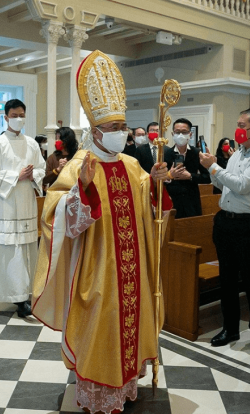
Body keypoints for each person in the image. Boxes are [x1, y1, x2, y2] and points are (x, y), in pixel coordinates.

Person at [33, 50, 171, 414]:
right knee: (100, 330)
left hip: (131, 271)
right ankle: (97, 392)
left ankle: (124, 388)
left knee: (128, 328)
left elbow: (151, 210)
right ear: (94, 131)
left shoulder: (132, 164)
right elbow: (55, 215)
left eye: (122, 127)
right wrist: (83, 189)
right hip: (96, 271)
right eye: (112, 129)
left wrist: (157, 185)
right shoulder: (81, 164)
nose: (120, 134)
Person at [199, 107, 250, 354]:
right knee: (227, 278)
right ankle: (230, 327)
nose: (238, 130)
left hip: (248, 223)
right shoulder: (237, 154)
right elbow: (221, 183)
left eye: (242, 125)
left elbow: (242, 185)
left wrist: (214, 168)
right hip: (225, 221)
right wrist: (213, 170)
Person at [0, 99, 45, 317]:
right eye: (14, 115)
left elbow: (41, 168)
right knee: (10, 253)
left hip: (26, 203)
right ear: (6, 117)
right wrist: (15, 177)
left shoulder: (32, 144)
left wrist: (33, 175)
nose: (19, 119)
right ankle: (16, 298)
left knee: (27, 251)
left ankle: (27, 294)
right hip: (5, 206)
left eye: (22, 115)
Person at [166, 118, 211, 218]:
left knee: (192, 231)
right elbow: (159, 180)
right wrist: (170, 176)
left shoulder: (197, 153)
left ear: (190, 134)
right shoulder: (166, 154)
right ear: (173, 134)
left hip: (192, 202)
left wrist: (190, 176)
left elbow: (207, 178)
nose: (181, 135)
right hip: (172, 202)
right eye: (177, 132)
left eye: (184, 132)